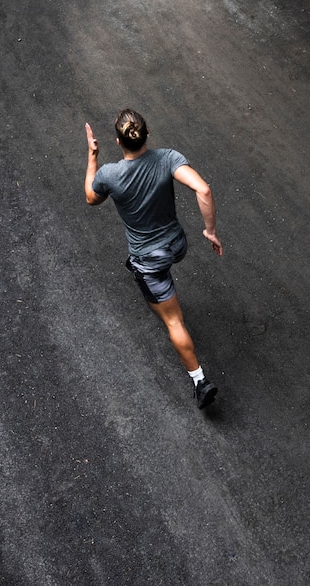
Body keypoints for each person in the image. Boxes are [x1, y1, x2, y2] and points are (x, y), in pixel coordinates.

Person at [84, 108, 223, 409]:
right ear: (147, 134)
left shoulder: (109, 174)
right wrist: (210, 232)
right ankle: (156, 288)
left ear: (118, 142)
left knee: (172, 320)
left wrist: (92, 156)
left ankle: (199, 380)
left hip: (149, 257)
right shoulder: (168, 158)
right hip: (177, 245)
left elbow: (90, 198)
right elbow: (204, 189)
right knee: (156, 283)